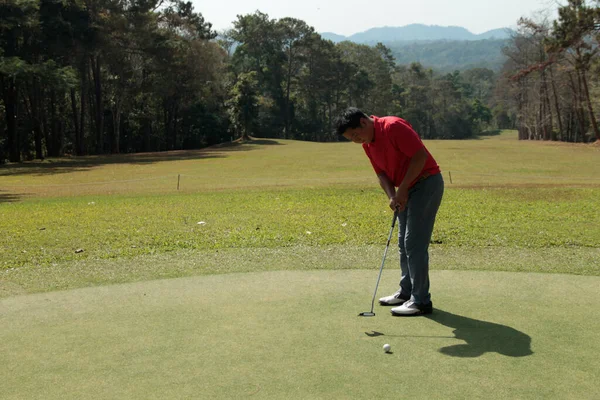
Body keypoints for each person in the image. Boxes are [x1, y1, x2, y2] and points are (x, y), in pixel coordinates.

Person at [335, 108, 444, 316]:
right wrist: (392, 196)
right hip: (405, 189)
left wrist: (402, 190)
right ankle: (407, 292)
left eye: (355, 135)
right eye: (351, 139)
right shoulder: (368, 144)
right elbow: (381, 173)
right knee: (403, 242)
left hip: (425, 183)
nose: (356, 140)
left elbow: (419, 157)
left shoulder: (393, 127)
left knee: (414, 243)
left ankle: (421, 301)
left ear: (363, 122)